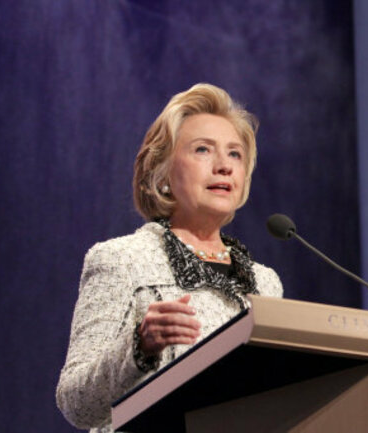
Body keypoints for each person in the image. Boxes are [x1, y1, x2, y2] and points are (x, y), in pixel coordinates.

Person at [56, 83, 283, 432]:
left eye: (235, 154)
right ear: (162, 174)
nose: (224, 166)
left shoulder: (265, 283)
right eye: (203, 150)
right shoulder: (120, 260)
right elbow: (77, 404)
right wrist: (139, 345)